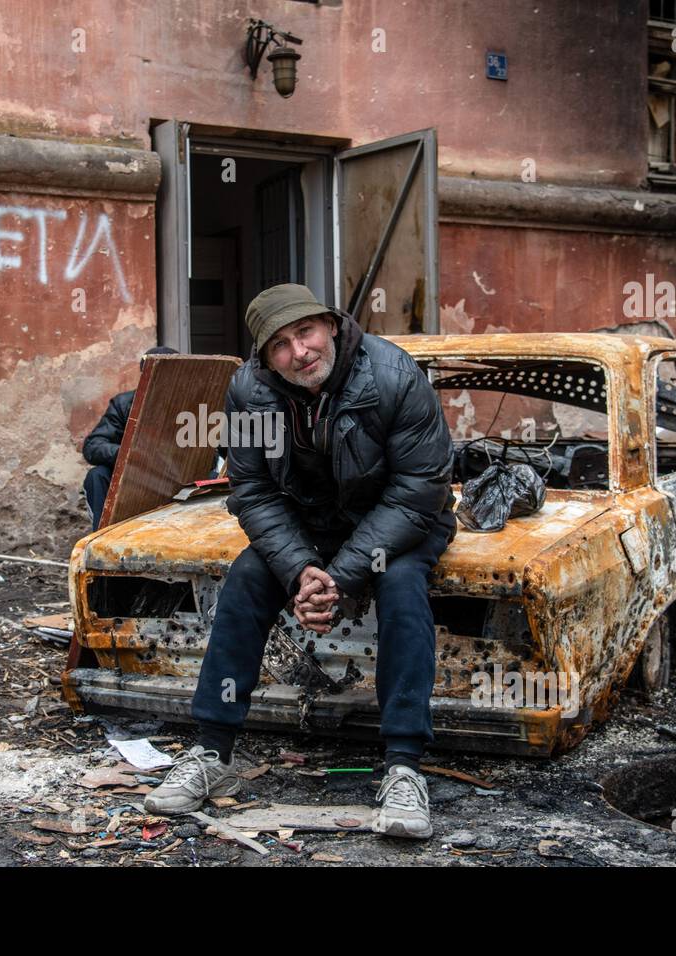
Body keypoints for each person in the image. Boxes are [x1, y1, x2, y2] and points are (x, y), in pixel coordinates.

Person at [143, 284, 456, 839]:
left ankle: (404, 765)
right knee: (245, 579)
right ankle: (211, 752)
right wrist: (299, 568)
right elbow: (252, 491)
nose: (300, 352)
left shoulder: (393, 375)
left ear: (331, 325)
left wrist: (339, 576)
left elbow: (418, 489)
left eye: (305, 332)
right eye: (281, 345)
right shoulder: (247, 391)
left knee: (402, 583)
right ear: (265, 359)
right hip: (308, 528)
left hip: (399, 523)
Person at [81, 345, 178, 530]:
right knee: (97, 475)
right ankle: (102, 540)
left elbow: (216, 450)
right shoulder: (124, 404)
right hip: (134, 477)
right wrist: (130, 453)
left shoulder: (193, 401)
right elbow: (93, 446)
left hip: (176, 477)